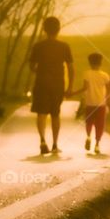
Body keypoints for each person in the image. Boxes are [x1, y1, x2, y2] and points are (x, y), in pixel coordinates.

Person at [28, 16, 74, 155]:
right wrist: (70, 87)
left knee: (41, 114)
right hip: (58, 84)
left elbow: (31, 66)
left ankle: (42, 141)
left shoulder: (38, 46)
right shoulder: (64, 46)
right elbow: (71, 68)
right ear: (58, 29)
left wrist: (40, 71)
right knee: (55, 114)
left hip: (41, 83)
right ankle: (55, 145)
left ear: (44, 29)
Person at [68, 53, 110, 154]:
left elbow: (85, 88)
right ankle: (97, 145)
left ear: (89, 62)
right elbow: (109, 90)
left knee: (89, 122)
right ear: (100, 63)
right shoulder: (105, 75)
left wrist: (73, 93)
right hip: (101, 104)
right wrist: (109, 101)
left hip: (89, 103)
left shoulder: (87, 73)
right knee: (100, 124)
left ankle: (88, 136)